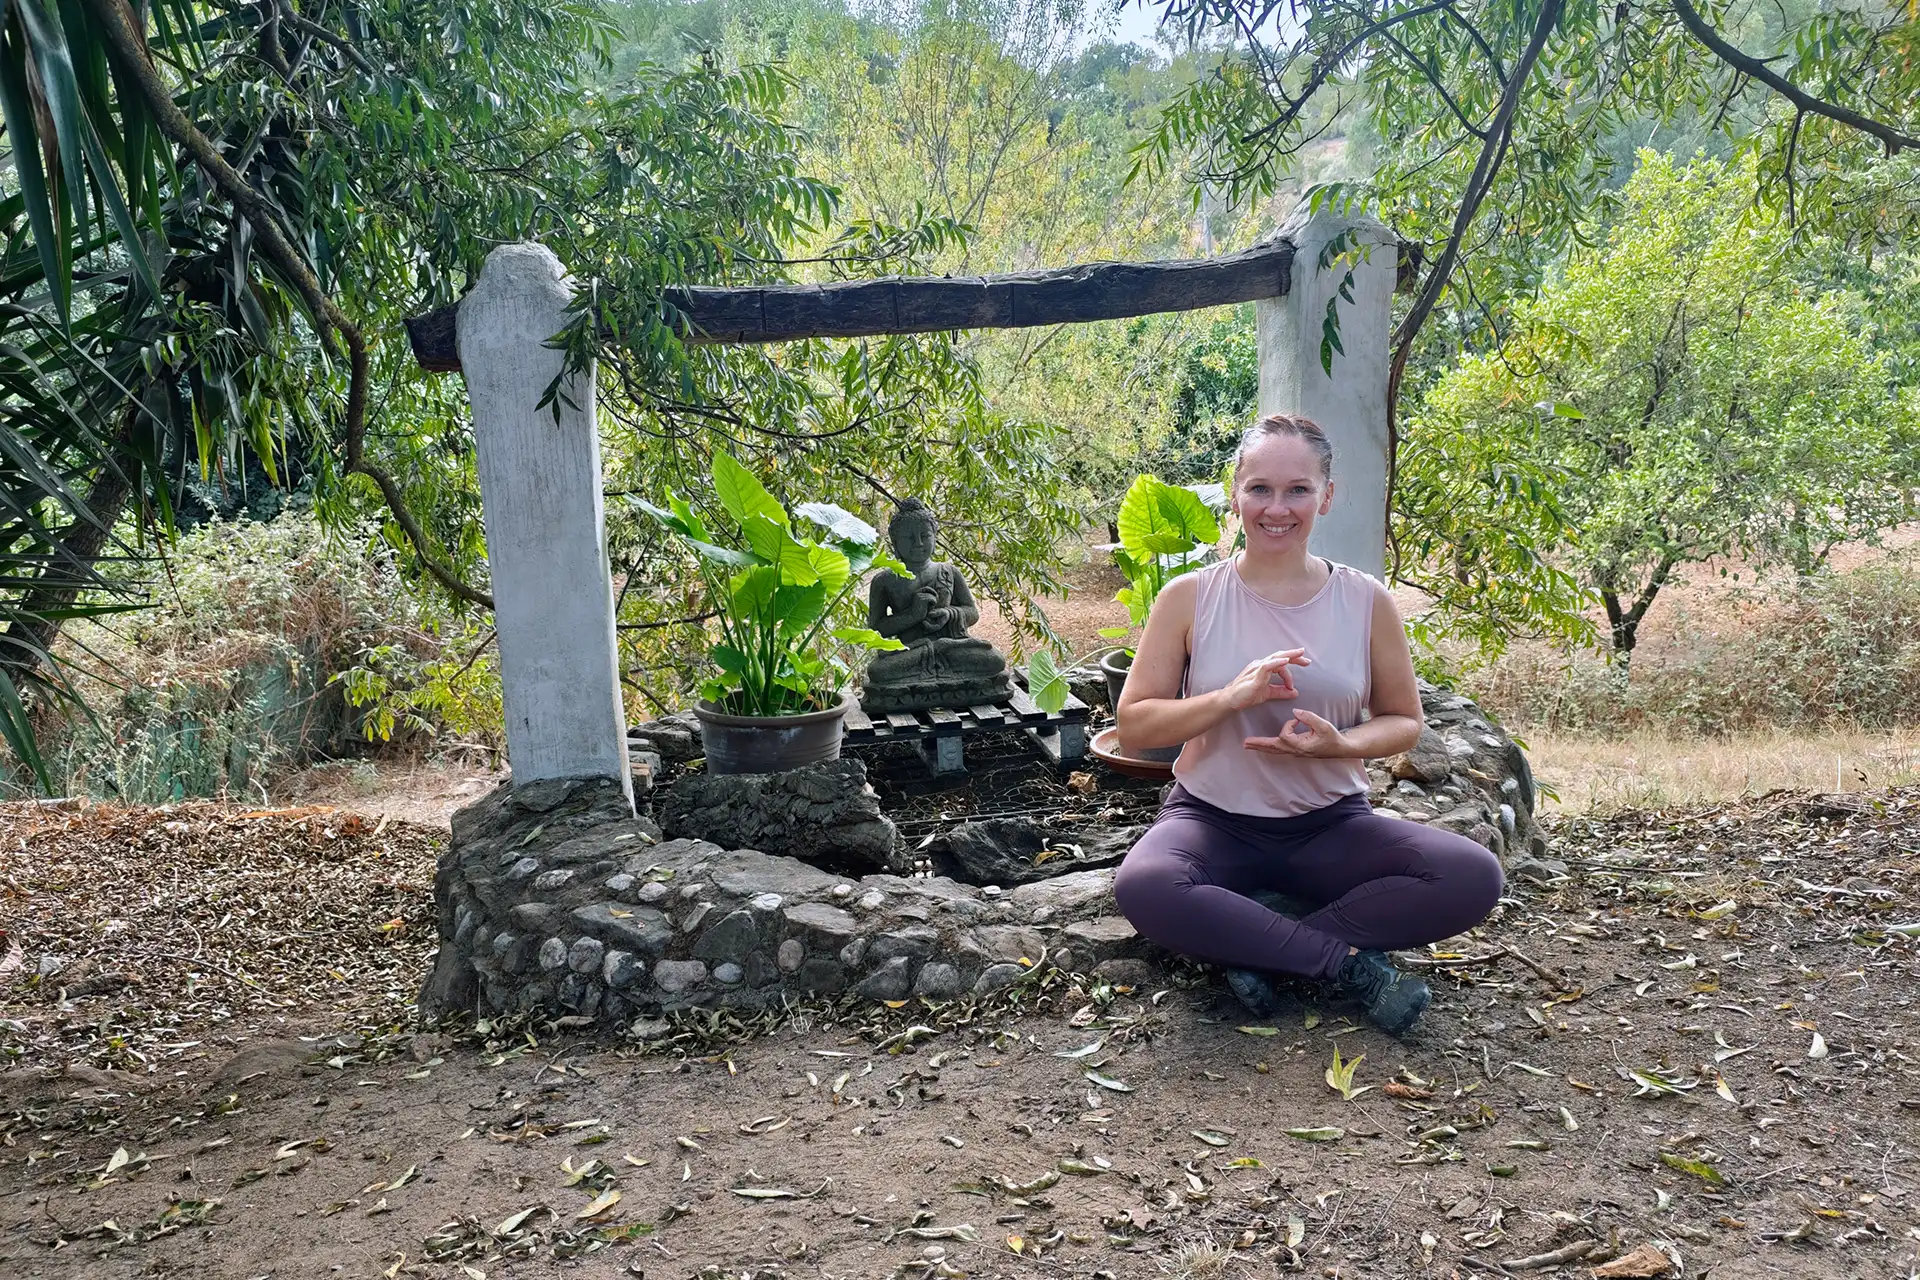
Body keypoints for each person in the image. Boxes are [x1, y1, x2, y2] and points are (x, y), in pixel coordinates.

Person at [1111, 413, 1503, 1035]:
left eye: (1298, 489)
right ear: (1235, 494)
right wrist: (1229, 698)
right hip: (1211, 821)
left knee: (1473, 876)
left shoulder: (1366, 600)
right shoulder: (1188, 597)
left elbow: (1403, 721)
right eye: (1259, 489)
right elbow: (1135, 725)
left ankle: (1264, 945)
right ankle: (1350, 967)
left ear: (1326, 495)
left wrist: (1340, 745)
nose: (1277, 508)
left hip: (1330, 826)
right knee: (1145, 885)